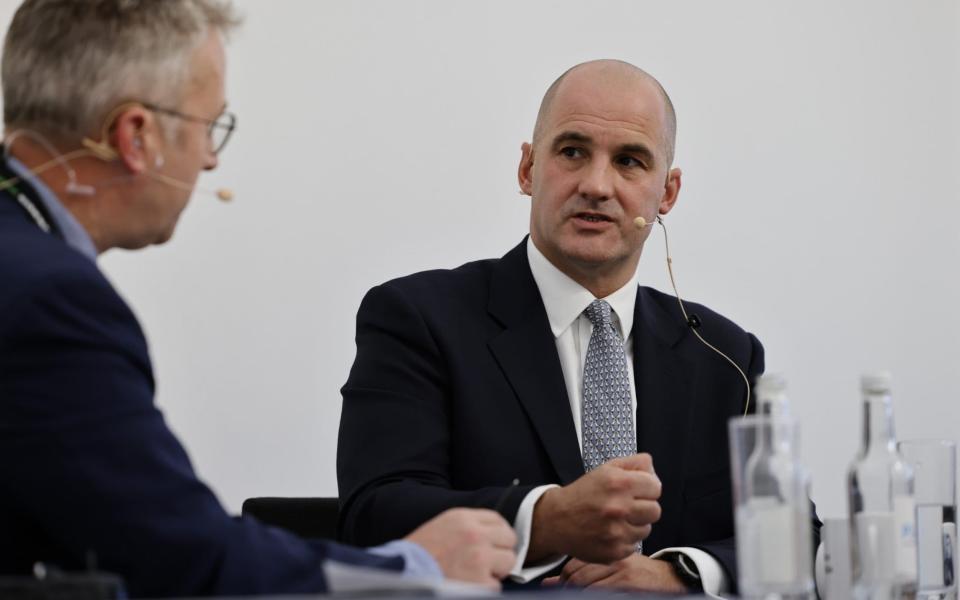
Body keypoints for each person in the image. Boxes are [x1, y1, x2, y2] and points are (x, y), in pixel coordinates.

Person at [0, 1, 516, 597]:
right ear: (137, 136)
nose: (211, 158)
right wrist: (419, 566)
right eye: (208, 126)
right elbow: (184, 558)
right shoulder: (51, 301)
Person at [337, 59, 820, 596]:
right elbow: (374, 511)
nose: (596, 184)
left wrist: (677, 572)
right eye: (572, 152)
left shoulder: (725, 355)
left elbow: (795, 534)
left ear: (667, 193)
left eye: (630, 161)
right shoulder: (418, 317)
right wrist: (544, 519)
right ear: (527, 169)